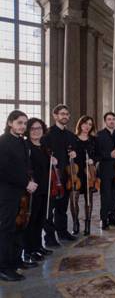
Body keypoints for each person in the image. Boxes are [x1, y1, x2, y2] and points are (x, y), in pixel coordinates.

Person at [0, 110, 38, 281]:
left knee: (19, 227)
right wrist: (25, 183)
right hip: (7, 193)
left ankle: (16, 260)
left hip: (22, 192)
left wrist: (31, 180)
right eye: (19, 123)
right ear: (10, 123)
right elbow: (4, 170)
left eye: (24, 123)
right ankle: (3, 267)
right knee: (6, 229)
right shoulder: (3, 142)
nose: (22, 126)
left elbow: (25, 166)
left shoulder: (22, 142)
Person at [41, 104, 77, 244]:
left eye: (67, 114)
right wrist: (48, 158)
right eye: (62, 114)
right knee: (50, 209)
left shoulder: (70, 135)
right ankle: (49, 238)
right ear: (55, 115)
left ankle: (62, 232)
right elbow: (42, 153)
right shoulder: (47, 134)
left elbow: (73, 151)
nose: (65, 116)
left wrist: (74, 153)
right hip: (52, 178)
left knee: (62, 207)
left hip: (66, 176)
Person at [23, 118, 54, 264]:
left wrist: (53, 160)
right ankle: (29, 251)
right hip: (32, 190)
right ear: (28, 131)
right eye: (33, 129)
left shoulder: (43, 146)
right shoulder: (26, 146)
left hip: (44, 188)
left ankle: (38, 246)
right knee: (31, 221)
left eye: (39, 128)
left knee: (41, 219)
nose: (36, 131)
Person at [95, 112, 115, 230]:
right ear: (105, 121)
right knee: (106, 196)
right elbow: (96, 154)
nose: (112, 121)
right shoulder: (99, 135)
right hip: (105, 170)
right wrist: (109, 155)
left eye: (113, 119)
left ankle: (113, 217)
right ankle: (104, 219)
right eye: (109, 119)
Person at [73, 116, 97, 235]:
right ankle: (75, 223)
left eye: (90, 124)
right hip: (75, 173)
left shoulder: (93, 140)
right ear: (80, 124)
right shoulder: (73, 139)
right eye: (85, 123)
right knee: (74, 199)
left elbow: (99, 154)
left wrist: (93, 160)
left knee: (89, 199)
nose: (87, 126)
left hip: (89, 173)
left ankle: (87, 224)